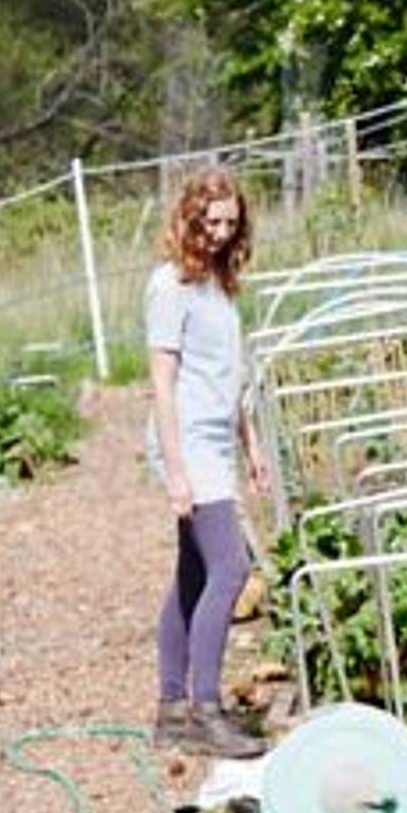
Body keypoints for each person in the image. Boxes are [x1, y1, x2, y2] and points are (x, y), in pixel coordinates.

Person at [145, 170, 265, 762]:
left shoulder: (219, 285)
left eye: (229, 223)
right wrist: (176, 473)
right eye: (210, 222)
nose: (219, 233)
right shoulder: (170, 286)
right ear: (190, 221)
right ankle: (206, 708)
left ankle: (171, 708)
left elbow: (229, 377)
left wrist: (252, 446)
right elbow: (163, 383)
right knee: (230, 568)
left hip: (216, 440)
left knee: (192, 575)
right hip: (186, 442)